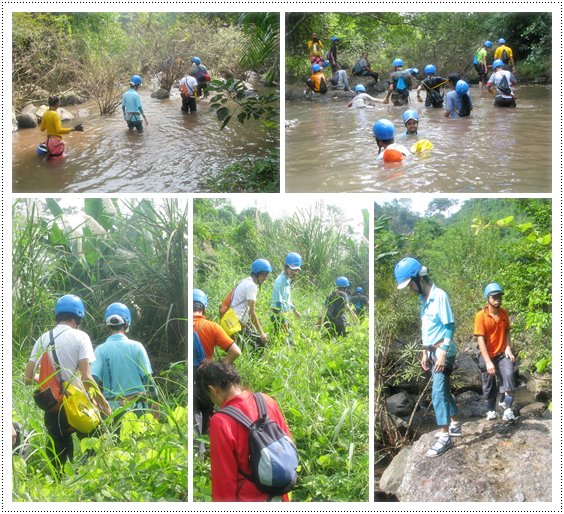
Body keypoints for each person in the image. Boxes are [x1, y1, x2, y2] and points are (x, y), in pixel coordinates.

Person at [23, 295, 111, 470]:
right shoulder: (81, 337)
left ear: (58, 315)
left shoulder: (43, 338)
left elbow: (27, 378)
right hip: (78, 404)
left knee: (58, 455)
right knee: (96, 444)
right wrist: (104, 403)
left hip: (53, 404)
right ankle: (83, 476)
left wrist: (50, 382)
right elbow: (86, 377)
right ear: (78, 316)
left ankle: (58, 487)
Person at [196, 360, 294, 501]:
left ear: (213, 390)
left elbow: (224, 482)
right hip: (281, 494)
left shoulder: (221, 421)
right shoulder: (266, 400)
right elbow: (288, 444)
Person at [394, 258, 460, 457]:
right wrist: (424, 351)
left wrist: (441, 352)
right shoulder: (423, 299)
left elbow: (449, 326)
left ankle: (444, 436)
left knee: (437, 392)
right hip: (431, 350)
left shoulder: (439, 295)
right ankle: (455, 423)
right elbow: (427, 329)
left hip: (443, 351)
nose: (410, 289)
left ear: (418, 278)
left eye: (410, 284)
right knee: (444, 389)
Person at [91, 302, 156, 419]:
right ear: (127, 324)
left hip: (111, 410)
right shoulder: (137, 347)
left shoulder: (100, 350)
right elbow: (148, 379)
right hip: (138, 408)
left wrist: (96, 402)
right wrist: (156, 402)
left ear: (107, 325)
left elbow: (92, 380)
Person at [193, 289, 241, 446]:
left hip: (185, 378)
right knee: (206, 415)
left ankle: (193, 453)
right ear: (204, 308)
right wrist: (221, 366)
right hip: (205, 379)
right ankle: (204, 453)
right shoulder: (211, 327)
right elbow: (236, 351)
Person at [474, 283, 517, 421]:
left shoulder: (504, 313)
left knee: (509, 375)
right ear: (488, 298)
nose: (497, 299)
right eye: (494, 297)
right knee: (489, 384)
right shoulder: (481, 316)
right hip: (487, 355)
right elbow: (480, 340)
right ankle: (491, 410)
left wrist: (508, 347)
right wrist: (487, 362)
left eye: (499, 296)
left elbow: (507, 332)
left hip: (502, 354)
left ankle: (508, 410)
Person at [230, 258, 272, 348]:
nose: (265, 278)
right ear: (257, 273)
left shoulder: (244, 281)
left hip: (232, 320)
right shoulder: (251, 286)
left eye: (267, 275)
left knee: (240, 348)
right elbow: (252, 312)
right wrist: (261, 333)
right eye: (264, 275)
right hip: (238, 324)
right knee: (261, 344)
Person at [271, 253, 302, 343]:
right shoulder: (279, 281)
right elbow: (278, 304)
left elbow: (287, 299)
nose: (294, 272)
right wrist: (284, 321)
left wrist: (295, 311)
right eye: (292, 270)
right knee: (287, 340)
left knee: (279, 338)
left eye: (296, 270)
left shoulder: (287, 280)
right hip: (278, 313)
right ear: (286, 267)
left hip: (285, 313)